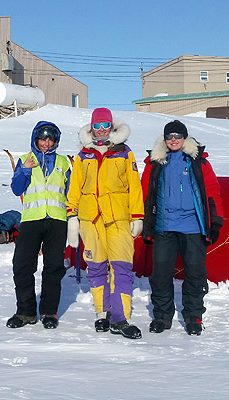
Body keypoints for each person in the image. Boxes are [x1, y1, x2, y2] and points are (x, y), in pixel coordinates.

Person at [66, 107, 145, 339]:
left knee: (121, 267)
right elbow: (75, 188)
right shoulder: (83, 155)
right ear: (92, 129)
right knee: (97, 267)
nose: (101, 130)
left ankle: (121, 317)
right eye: (97, 126)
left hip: (118, 218)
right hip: (91, 219)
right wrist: (72, 216)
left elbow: (134, 186)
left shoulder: (124, 152)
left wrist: (137, 216)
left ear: (111, 127)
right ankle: (102, 312)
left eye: (105, 126)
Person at [141, 120, 223, 336]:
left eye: (178, 136)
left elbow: (212, 191)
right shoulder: (155, 162)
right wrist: (146, 223)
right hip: (164, 226)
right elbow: (145, 194)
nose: (174, 140)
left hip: (193, 226)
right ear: (165, 139)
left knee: (195, 273)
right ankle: (162, 316)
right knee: (160, 274)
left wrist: (215, 222)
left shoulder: (198, 161)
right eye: (169, 136)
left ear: (185, 138)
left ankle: (193, 316)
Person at [6, 121, 71, 330]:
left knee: (53, 267)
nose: (46, 143)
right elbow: (17, 189)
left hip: (57, 221)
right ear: (36, 139)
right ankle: (25, 311)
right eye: (42, 138)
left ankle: (48, 311)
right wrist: (24, 170)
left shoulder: (65, 163)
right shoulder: (26, 160)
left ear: (56, 140)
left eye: (50, 138)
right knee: (22, 265)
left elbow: (71, 193)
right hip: (31, 220)